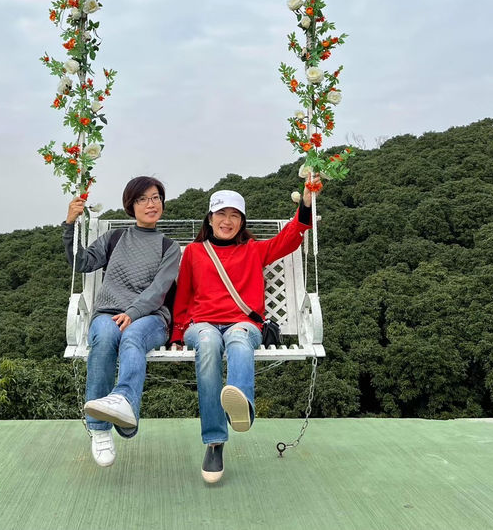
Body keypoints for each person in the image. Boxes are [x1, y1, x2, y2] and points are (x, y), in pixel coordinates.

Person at [170, 178, 319, 483]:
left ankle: (241, 407)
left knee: (238, 338)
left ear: (242, 222)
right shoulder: (195, 252)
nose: (227, 221)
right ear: (209, 219)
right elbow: (183, 296)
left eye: (234, 216)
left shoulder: (253, 250)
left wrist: (306, 202)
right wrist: (176, 334)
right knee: (208, 342)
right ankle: (215, 442)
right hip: (201, 325)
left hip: (243, 323)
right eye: (221, 214)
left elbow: (290, 239)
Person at [63, 175, 180, 467]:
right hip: (108, 313)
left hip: (151, 317)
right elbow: (82, 263)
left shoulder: (169, 247)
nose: (151, 204)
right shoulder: (115, 238)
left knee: (132, 337)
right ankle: (100, 430)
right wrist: (70, 225)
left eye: (156, 198)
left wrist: (133, 313)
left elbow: (159, 290)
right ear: (131, 205)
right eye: (143, 199)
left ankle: (124, 404)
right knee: (103, 338)